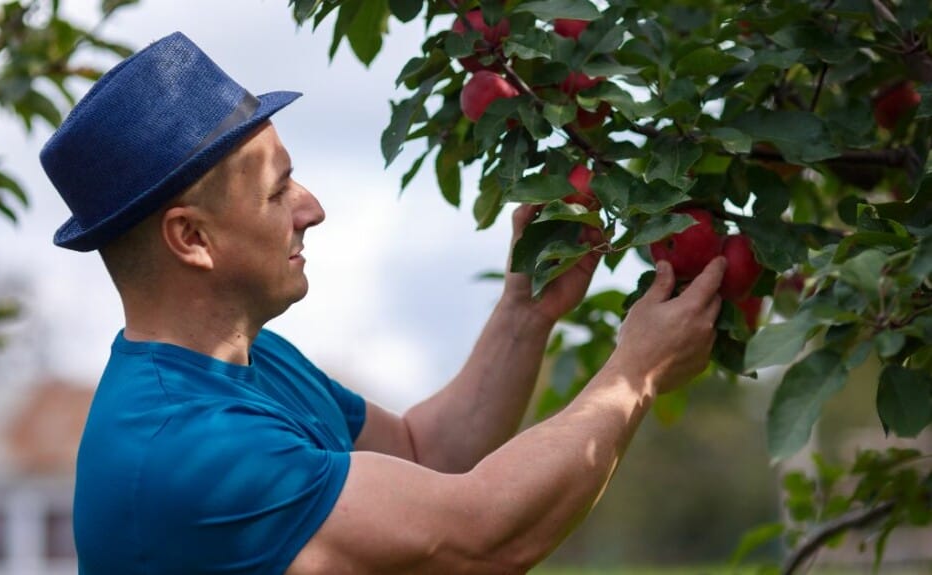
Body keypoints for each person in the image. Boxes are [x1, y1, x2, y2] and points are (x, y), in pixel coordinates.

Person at [41, 32, 726, 575]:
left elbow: (425, 452)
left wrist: (526, 309)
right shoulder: (189, 452)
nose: (313, 208)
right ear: (192, 237)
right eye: (280, 191)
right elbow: (486, 537)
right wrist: (634, 373)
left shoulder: (251, 362)